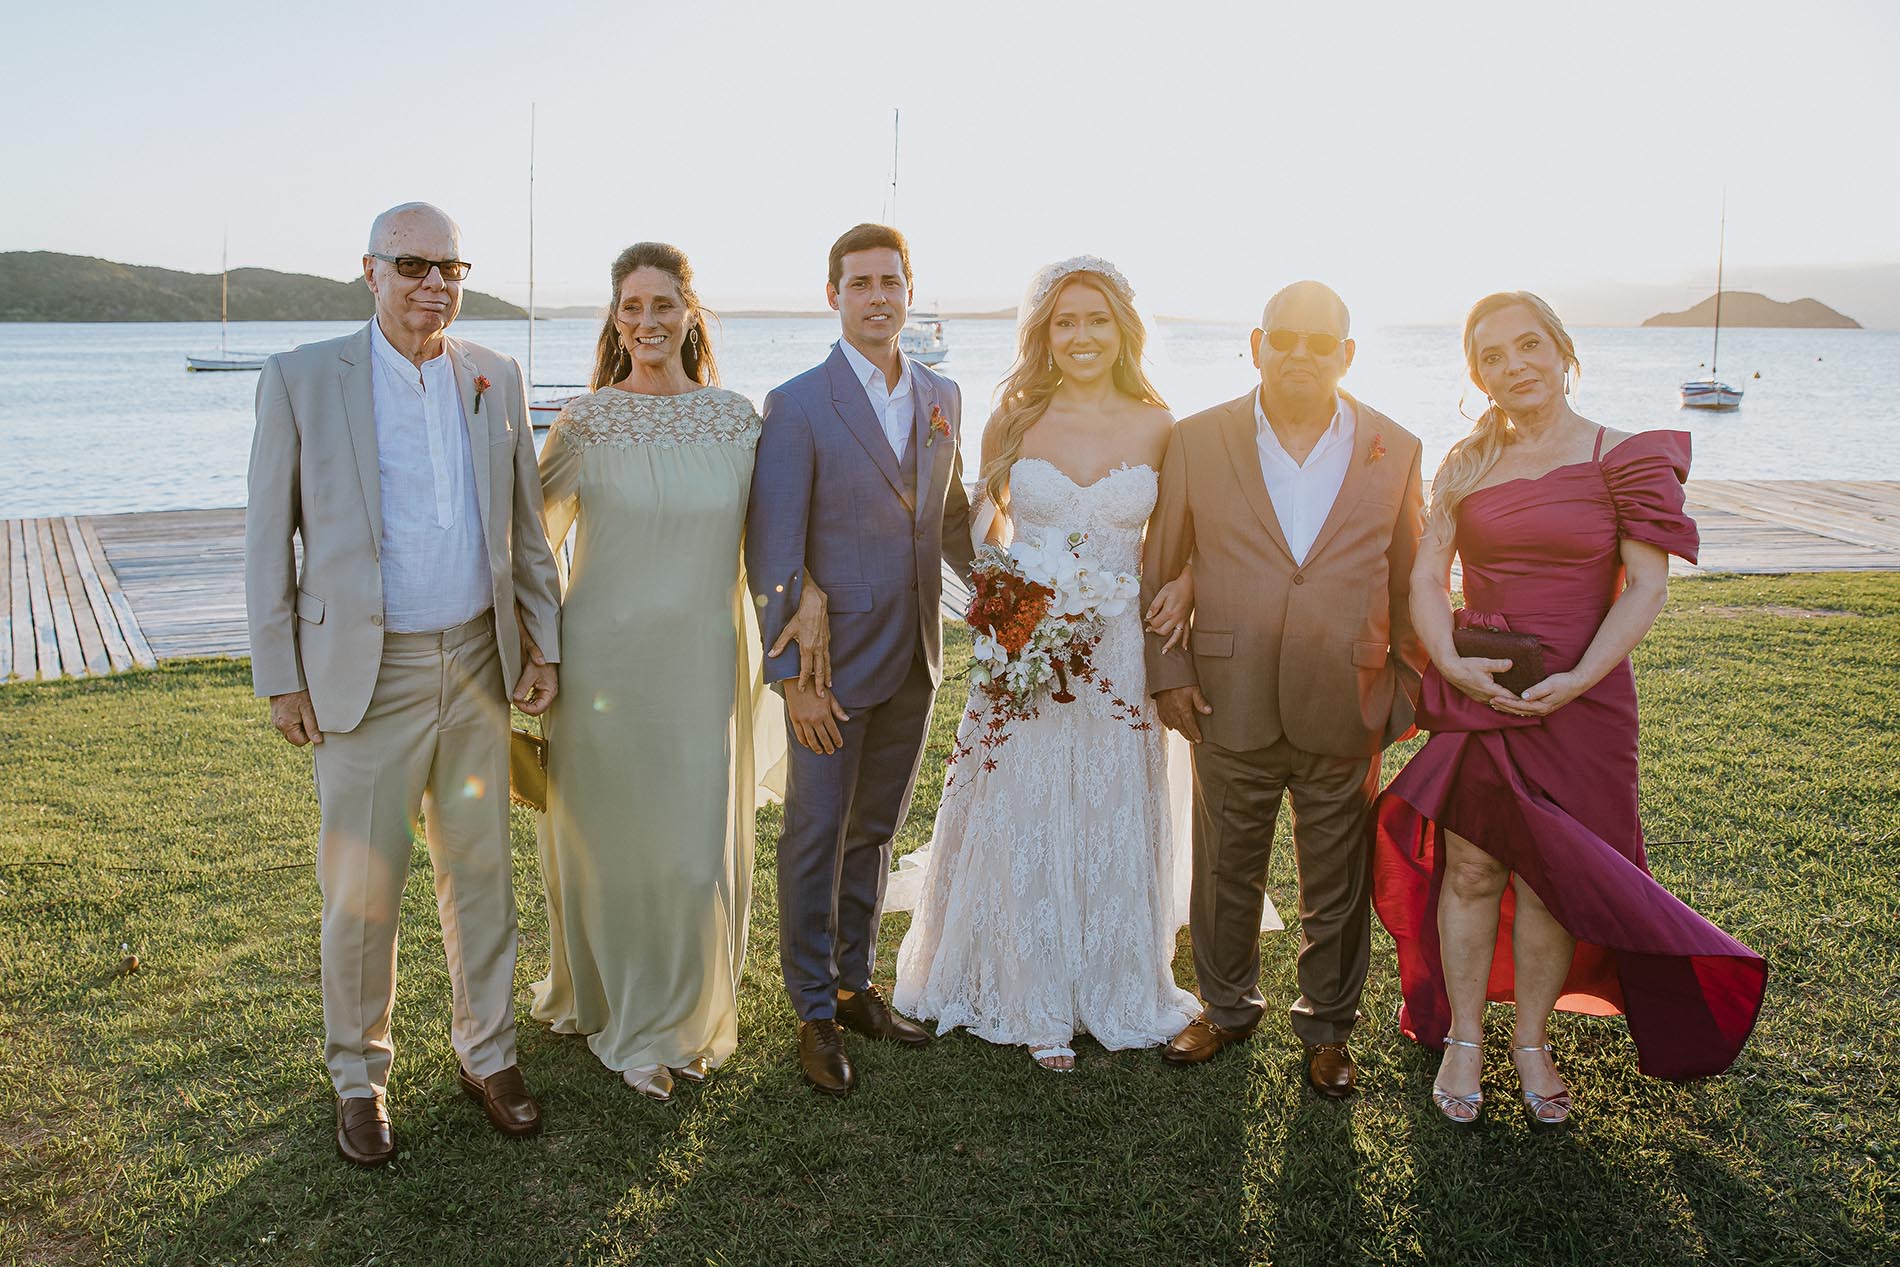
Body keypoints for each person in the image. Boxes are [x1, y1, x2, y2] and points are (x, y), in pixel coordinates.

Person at [1371, 291, 1767, 1128]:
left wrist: (1581, 676)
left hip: (1585, 703)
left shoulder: (1624, 456)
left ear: (1562, 350)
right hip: (1485, 691)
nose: (1513, 366)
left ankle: (1532, 1042)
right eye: (1492, 356)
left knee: (1554, 882)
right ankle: (1466, 1040)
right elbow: (1424, 579)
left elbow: (1647, 584)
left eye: (1528, 347)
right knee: (1474, 867)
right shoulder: (1464, 464)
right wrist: (1450, 663)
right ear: (1476, 374)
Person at [244, 202, 563, 1166]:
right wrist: (279, 676)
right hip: (361, 679)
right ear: (371, 272)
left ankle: (489, 1053)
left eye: (451, 266)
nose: (435, 283)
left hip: (476, 664)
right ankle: (358, 1076)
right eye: (415, 264)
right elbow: (270, 538)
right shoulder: (302, 378)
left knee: (481, 876)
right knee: (361, 889)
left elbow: (522, 528)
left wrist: (539, 644)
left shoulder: (495, 376)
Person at [891, 257, 1208, 1071]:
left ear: (1122, 329)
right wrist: (1008, 617)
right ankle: (1029, 993)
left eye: (1095, 319)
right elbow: (983, 538)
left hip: (1119, 648)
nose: (1080, 336)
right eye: (1064, 322)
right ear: (1043, 333)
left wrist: (1188, 581)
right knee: (1021, 800)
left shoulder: (1158, 423)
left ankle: (1114, 980)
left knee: (1108, 799)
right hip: (1027, 639)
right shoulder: (1012, 420)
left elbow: (1189, 534)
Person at [528, 243, 821, 1101]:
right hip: (599, 671)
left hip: (700, 665)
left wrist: (812, 600)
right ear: (615, 320)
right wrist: (535, 651)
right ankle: (630, 1018)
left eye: (663, 305)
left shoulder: (736, 422)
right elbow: (533, 548)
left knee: (694, 856)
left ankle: (685, 1015)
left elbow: (778, 538)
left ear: (692, 312)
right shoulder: (583, 422)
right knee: (613, 847)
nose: (647, 323)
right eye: (630, 308)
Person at [1143, 281, 1425, 1099]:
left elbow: (1412, 579)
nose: (1301, 354)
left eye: (1319, 341)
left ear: (1347, 354)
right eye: (1286, 339)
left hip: (1350, 697)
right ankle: (1226, 1007)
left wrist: (1402, 690)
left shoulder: (1395, 446)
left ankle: (1330, 1027)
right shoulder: (1197, 439)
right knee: (1225, 868)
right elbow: (1163, 563)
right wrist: (1170, 671)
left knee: (1337, 879)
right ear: (1257, 342)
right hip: (1226, 694)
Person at [744, 223, 975, 1096]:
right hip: (829, 672)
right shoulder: (798, 401)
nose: (878, 296)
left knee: (875, 830)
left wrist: (1002, 595)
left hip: (917, 656)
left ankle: (853, 983)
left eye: (891, 281)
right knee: (815, 834)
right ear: (833, 295)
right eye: (860, 283)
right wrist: (791, 681)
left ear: (909, 291)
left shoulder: (944, 392)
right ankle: (810, 1008)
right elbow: (773, 549)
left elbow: (948, 518)